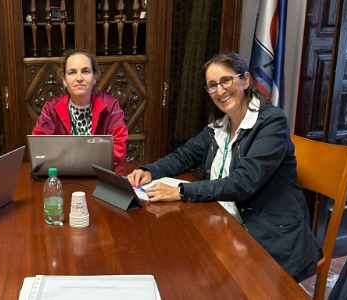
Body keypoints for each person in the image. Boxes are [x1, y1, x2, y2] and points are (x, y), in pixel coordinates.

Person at [127, 52, 322, 282]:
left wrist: (181, 190)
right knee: (170, 259)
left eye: (226, 80)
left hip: (270, 236)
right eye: (212, 86)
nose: (220, 91)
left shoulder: (272, 122)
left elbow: (243, 183)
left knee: (197, 277)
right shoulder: (219, 125)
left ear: (246, 80)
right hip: (224, 223)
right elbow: (185, 156)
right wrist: (150, 170)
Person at [31, 49, 128, 162]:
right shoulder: (50, 109)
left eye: (85, 71)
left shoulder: (111, 106)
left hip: (100, 174)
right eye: (72, 72)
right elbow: (40, 149)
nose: (79, 78)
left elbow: (118, 150)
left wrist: (69, 156)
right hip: (62, 174)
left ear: (95, 77)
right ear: (64, 80)